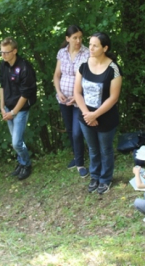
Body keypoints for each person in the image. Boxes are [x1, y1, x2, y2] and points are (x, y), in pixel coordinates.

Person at [74, 32, 122, 194]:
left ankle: (105, 179)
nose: (90, 48)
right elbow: (77, 92)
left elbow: (114, 97)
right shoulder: (83, 65)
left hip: (106, 118)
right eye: (90, 44)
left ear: (105, 48)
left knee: (105, 149)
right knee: (93, 149)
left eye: (95, 45)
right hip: (85, 117)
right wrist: (87, 114)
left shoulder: (113, 69)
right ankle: (95, 176)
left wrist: (96, 115)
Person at [53, 25, 90, 177]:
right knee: (69, 129)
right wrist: (59, 91)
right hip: (63, 99)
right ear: (67, 39)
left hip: (79, 99)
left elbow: (89, 78)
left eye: (80, 37)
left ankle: (80, 164)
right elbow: (56, 75)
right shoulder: (62, 53)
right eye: (75, 37)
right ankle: (77, 156)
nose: (78, 40)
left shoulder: (87, 53)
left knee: (76, 132)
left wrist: (78, 96)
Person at [0, 37, 37, 181]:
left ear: (15, 51)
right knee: (17, 141)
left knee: (16, 142)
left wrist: (13, 112)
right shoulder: (3, 65)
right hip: (8, 108)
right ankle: (21, 163)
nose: (3, 55)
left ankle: (26, 164)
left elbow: (26, 94)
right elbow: (2, 86)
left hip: (20, 109)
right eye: (1, 52)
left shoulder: (25, 68)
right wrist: (1, 106)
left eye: (6, 52)